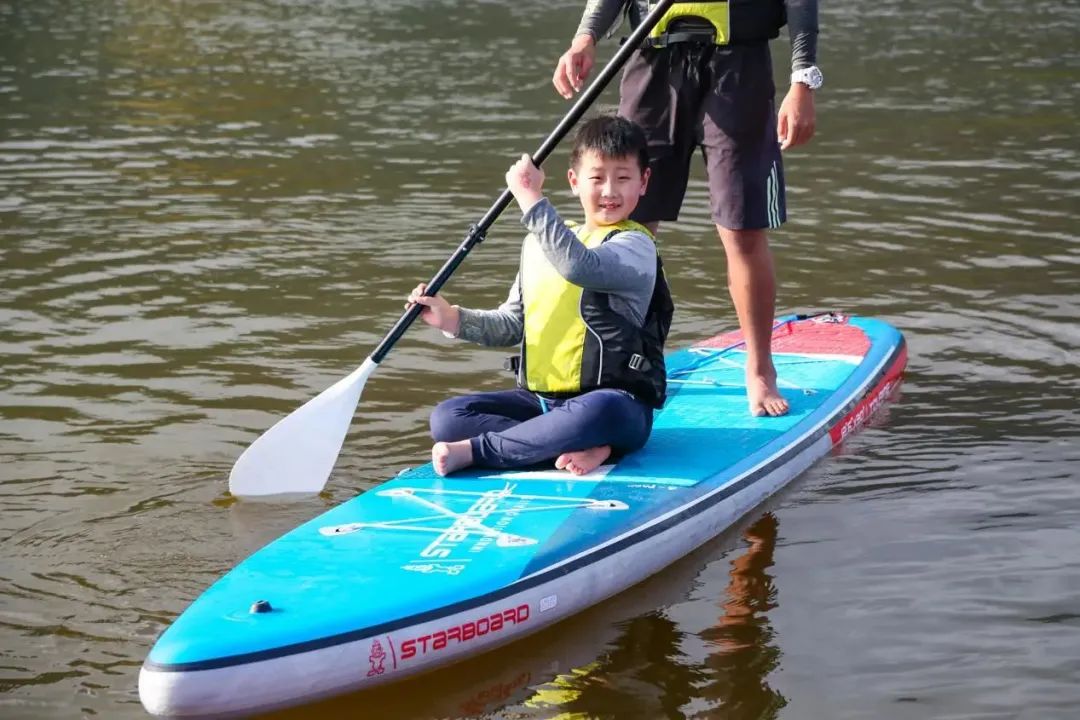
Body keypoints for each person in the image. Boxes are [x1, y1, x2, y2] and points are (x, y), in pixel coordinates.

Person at [552, 0, 822, 417]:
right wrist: (584, 37)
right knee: (624, 223)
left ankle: (760, 369)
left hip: (737, 65)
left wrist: (802, 78)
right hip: (653, 59)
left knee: (742, 228)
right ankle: (614, 366)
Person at [407, 115, 673, 477]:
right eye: (597, 178)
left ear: (643, 182)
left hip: (615, 406)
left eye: (623, 178)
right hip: (543, 404)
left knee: (599, 411)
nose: (610, 191)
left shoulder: (635, 245)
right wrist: (452, 318)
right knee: (448, 418)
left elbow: (578, 266)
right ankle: (581, 449)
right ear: (574, 181)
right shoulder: (540, 243)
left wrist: (531, 198)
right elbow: (512, 324)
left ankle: (480, 451)